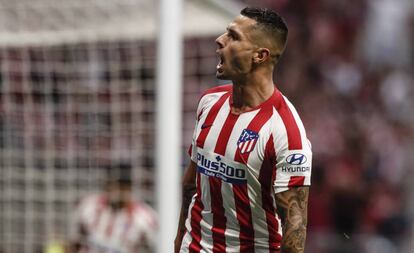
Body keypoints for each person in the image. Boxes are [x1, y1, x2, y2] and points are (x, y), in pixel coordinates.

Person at [175, 7, 312, 253]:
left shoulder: (286, 131)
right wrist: (178, 243)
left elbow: (295, 226)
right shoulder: (209, 102)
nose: (220, 40)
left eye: (233, 36)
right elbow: (190, 184)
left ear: (260, 55)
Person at [72, 163, 157, 253]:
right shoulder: (89, 206)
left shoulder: (144, 218)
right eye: (113, 185)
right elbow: (74, 241)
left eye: (122, 186)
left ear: (129, 188)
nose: (117, 191)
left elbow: (157, 246)